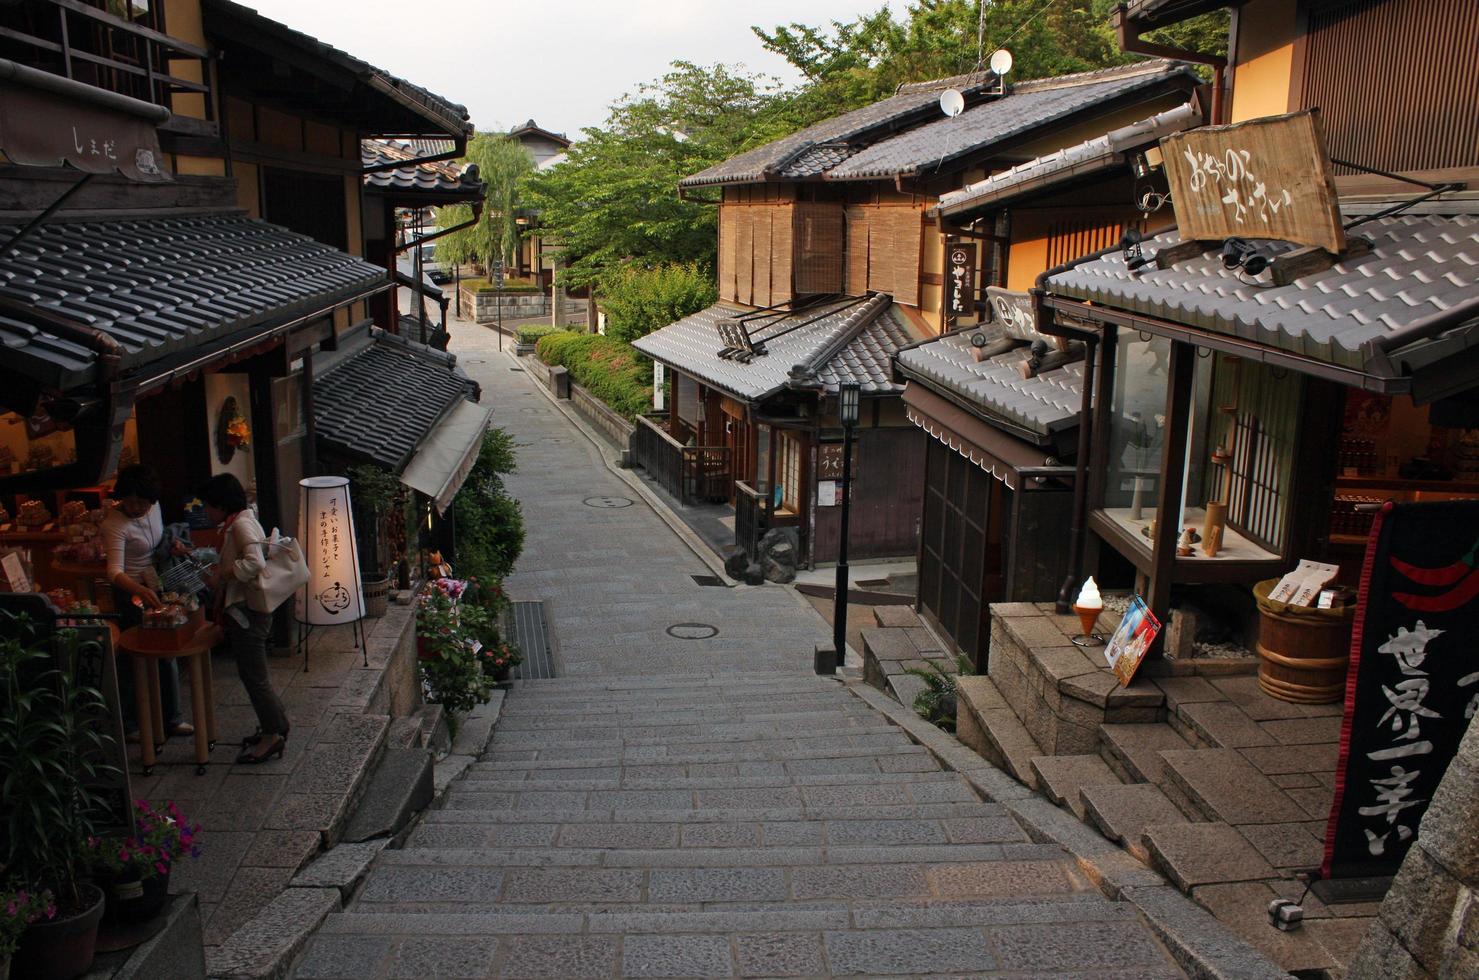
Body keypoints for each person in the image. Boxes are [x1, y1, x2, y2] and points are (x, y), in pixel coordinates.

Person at [198, 474, 289, 764]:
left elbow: (254, 562)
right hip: (247, 610)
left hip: (247, 613)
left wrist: (224, 573)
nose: (206, 512)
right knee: (253, 675)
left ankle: (273, 734)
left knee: (254, 677)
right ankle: (275, 725)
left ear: (221, 505)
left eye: (209, 506)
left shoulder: (239, 525)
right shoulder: (239, 521)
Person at [103, 465, 193, 739]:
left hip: (156, 583)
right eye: (128, 501)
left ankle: (172, 718)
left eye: (141, 502)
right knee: (133, 657)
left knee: (166, 650)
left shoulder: (154, 508)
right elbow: (114, 571)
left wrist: (172, 545)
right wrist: (139, 591)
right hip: (130, 592)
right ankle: (131, 724)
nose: (134, 507)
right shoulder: (114, 524)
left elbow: (159, 538)